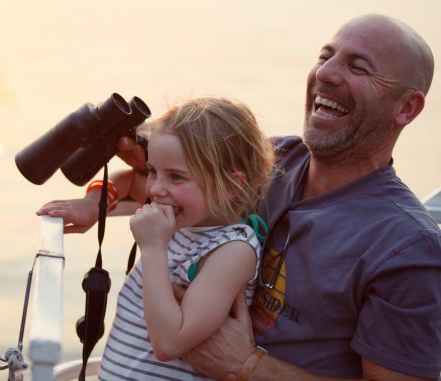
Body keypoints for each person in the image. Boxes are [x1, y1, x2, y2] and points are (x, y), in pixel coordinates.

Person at [38, 13, 441, 381]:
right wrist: (99, 197)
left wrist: (246, 365)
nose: (326, 73)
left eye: (357, 66)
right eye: (325, 56)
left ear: (406, 107)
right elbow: (153, 188)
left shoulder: (407, 248)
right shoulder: (272, 160)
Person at [39, 97, 275, 379]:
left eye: (176, 176)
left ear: (233, 185)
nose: (156, 189)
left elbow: (169, 343)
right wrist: (92, 203)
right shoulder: (183, 215)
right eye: (153, 171)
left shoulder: (233, 250)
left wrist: (153, 249)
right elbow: (126, 179)